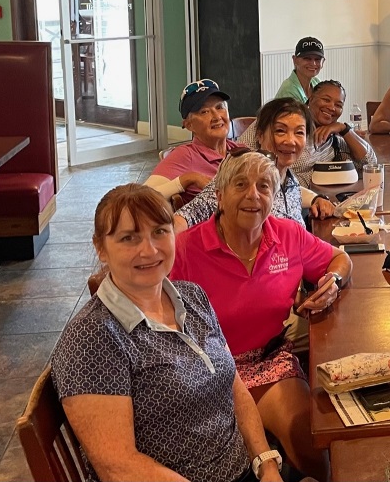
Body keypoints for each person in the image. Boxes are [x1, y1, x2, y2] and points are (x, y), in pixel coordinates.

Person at [50, 184, 282, 482]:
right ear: (100, 248)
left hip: (242, 470)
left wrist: (267, 463)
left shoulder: (192, 297)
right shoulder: (92, 338)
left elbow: (235, 388)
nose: (149, 250)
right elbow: (117, 465)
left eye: (159, 231)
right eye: (128, 238)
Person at [171, 151, 352, 482]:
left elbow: (339, 260)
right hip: (208, 372)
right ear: (220, 196)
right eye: (241, 184)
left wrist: (333, 283)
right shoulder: (183, 249)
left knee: (315, 447)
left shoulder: (287, 235)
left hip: (269, 362)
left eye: (264, 186)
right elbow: (127, 286)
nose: (253, 195)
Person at [175, 98, 336, 232]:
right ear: (259, 136)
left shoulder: (289, 179)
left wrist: (317, 198)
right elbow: (186, 217)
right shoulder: (242, 175)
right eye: (280, 131)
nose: (290, 141)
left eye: (299, 132)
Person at [237, 80, 376, 188]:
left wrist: (344, 129)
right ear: (311, 98)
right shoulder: (278, 119)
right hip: (262, 193)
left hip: (303, 203)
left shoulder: (334, 142)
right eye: (326, 100)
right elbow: (238, 155)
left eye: (338, 105)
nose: (331, 107)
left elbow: (370, 164)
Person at [144, 79, 242, 206]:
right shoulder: (186, 155)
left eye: (219, 107)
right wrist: (188, 179)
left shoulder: (240, 150)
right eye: (204, 112)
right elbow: (143, 196)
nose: (217, 116)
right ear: (189, 125)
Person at [276, 37, 325, 103]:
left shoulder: (316, 82)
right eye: (307, 58)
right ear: (295, 60)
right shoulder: (288, 91)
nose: (313, 63)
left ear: (323, 62)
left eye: (317, 59)